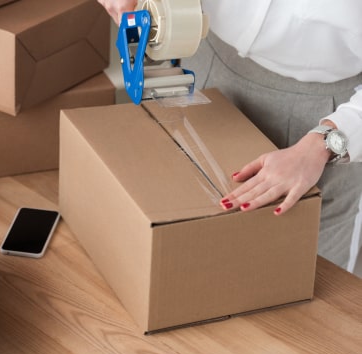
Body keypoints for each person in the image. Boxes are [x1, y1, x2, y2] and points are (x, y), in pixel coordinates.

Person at [98, 0, 362, 272]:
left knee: (310, 276)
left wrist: (322, 144)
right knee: (192, 247)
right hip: (200, 45)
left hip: (320, 119)